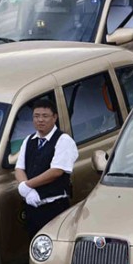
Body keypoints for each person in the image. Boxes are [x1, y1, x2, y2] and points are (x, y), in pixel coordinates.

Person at [15, 97, 78, 236]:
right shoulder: (29, 140)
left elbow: (56, 171)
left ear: (54, 117)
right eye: (36, 116)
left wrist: (28, 186)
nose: (40, 120)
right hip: (32, 206)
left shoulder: (64, 140)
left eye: (45, 116)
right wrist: (24, 187)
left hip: (54, 207)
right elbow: (19, 168)